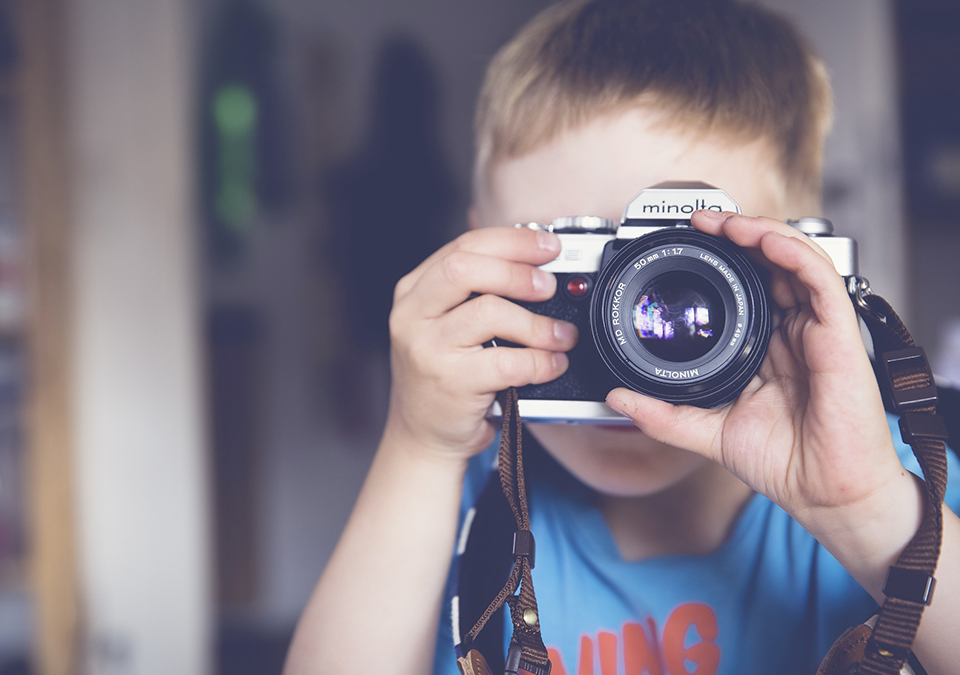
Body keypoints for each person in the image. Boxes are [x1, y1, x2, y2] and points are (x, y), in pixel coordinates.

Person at [284, 1, 960, 674]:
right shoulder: (461, 508)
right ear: (477, 257)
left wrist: (872, 518)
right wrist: (419, 442)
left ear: (794, 267)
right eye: (578, 265)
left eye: (690, 272)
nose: (627, 342)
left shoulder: (887, 484)